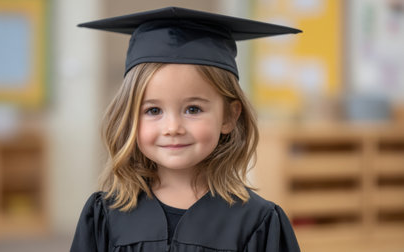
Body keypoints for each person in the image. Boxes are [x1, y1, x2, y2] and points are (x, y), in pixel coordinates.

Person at [71, 6, 301, 252]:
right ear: (130, 118)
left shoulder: (258, 222)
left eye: (193, 109)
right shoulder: (106, 215)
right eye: (153, 111)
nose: (172, 128)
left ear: (229, 116)